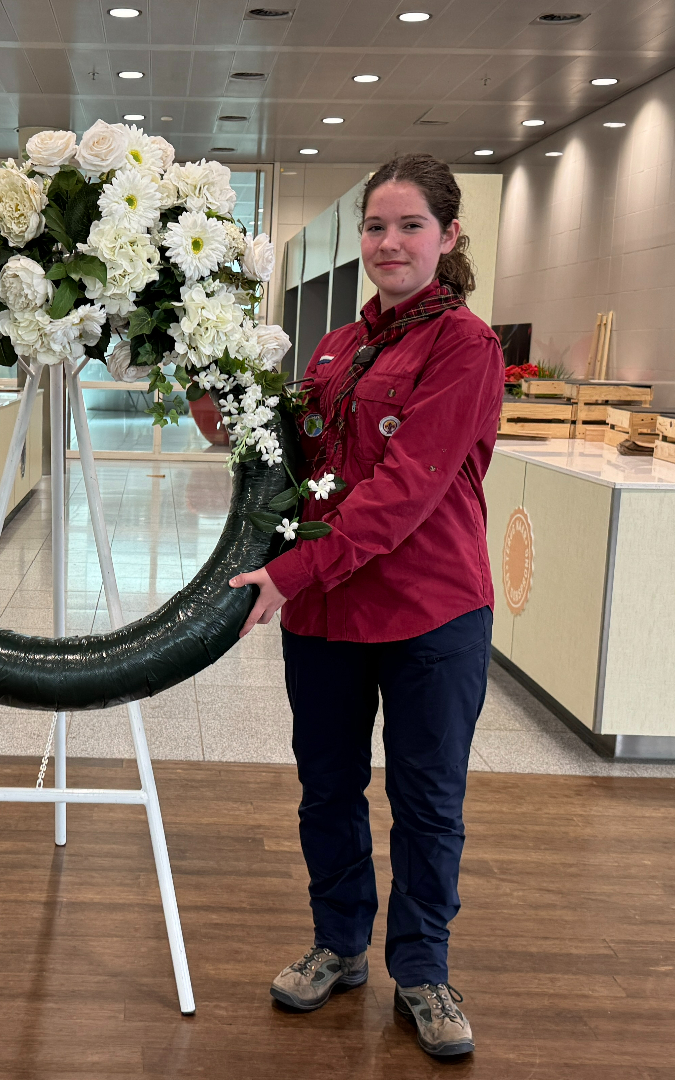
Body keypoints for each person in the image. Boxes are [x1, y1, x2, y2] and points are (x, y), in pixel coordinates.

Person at [228, 153, 503, 1060]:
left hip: (432, 613)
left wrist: (292, 573)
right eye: (377, 227)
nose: (389, 242)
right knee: (327, 787)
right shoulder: (338, 347)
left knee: (428, 800)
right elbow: (294, 463)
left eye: (410, 225)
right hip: (331, 619)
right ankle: (340, 943)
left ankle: (422, 970)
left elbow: (404, 489)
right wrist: (203, 378)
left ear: (448, 237)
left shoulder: (466, 345)